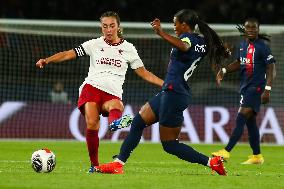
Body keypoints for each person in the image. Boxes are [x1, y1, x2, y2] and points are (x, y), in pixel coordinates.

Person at [95, 9, 230, 175]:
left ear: (185, 25)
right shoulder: (202, 41)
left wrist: (161, 33)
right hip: (172, 91)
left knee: (170, 144)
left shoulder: (186, 38)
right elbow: (212, 47)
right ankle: (118, 163)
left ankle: (212, 162)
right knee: (138, 122)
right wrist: (223, 50)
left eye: (175, 23)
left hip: (175, 93)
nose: (174, 27)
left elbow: (184, 46)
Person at [36, 11, 163, 173]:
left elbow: (144, 73)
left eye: (112, 26)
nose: (108, 30)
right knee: (92, 123)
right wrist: (47, 60)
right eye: (105, 26)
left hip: (112, 92)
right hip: (91, 88)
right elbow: (69, 53)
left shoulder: (129, 48)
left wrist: (164, 84)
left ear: (118, 27)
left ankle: (115, 123)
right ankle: (94, 165)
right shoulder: (94, 44)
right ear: (101, 28)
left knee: (116, 104)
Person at [211, 18, 276, 164]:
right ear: (244, 29)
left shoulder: (263, 46)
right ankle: (257, 156)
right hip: (246, 87)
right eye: (248, 28)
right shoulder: (243, 45)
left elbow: (272, 68)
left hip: (256, 87)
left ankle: (226, 151)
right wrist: (224, 70)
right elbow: (240, 62)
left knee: (241, 117)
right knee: (250, 122)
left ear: (258, 29)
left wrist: (267, 89)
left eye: (254, 28)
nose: (251, 30)